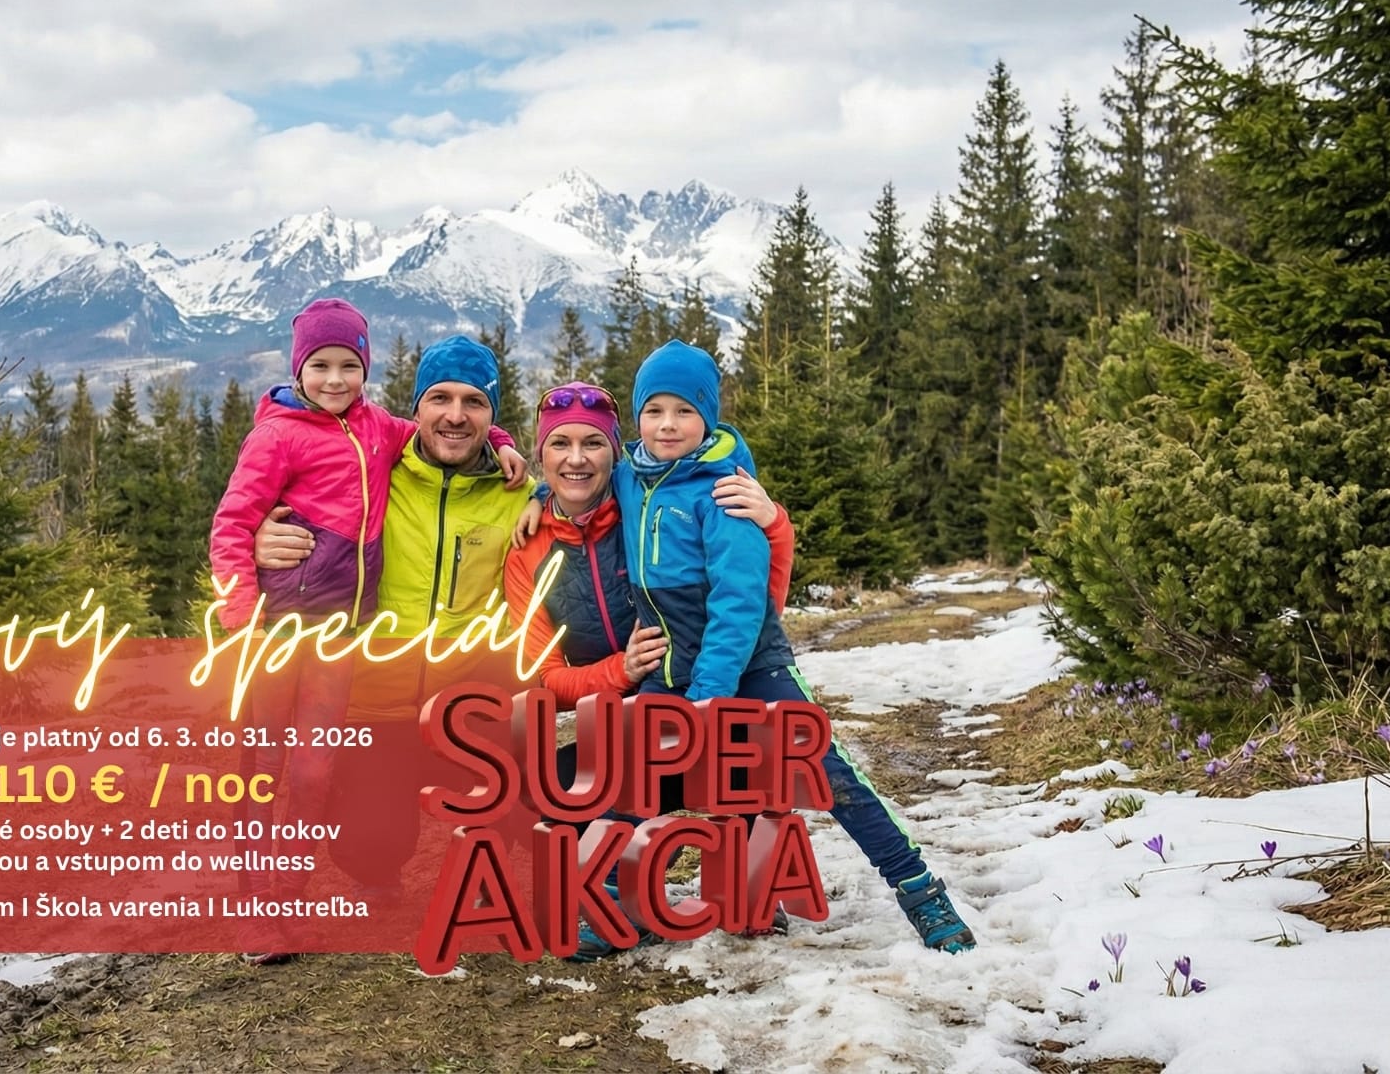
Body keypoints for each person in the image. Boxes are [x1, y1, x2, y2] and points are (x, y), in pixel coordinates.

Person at [591, 340, 978, 955]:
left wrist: (711, 694)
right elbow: (572, 494)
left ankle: (920, 891)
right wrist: (534, 497)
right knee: (632, 774)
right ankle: (608, 904)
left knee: (831, 777)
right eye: (654, 409)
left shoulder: (727, 491)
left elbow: (740, 604)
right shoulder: (629, 477)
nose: (668, 424)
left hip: (752, 665)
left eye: (684, 411)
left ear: (708, 416)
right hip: (675, 664)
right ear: (636, 415)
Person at [209, 300, 526, 964]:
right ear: (297, 369)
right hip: (282, 637)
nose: (333, 379)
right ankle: (255, 913)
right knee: (267, 770)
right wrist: (242, 611)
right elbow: (232, 524)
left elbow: (443, 427)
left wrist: (500, 443)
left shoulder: (380, 432)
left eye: (348, 365)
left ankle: (289, 901)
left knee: (312, 771)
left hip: (365, 653)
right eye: (319, 365)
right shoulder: (290, 438)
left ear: (366, 370)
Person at [505, 379, 796, 959]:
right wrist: (619, 671)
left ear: (617, 453)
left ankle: (749, 878)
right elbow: (543, 676)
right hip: (614, 719)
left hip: (694, 693)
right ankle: (621, 895)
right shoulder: (529, 549)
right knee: (551, 794)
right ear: (541, 454)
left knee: (743, 744)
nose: (577, 459)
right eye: (559, 445)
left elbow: (752, 598)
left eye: (594, 443)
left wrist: (776, 523)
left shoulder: (645, 510)